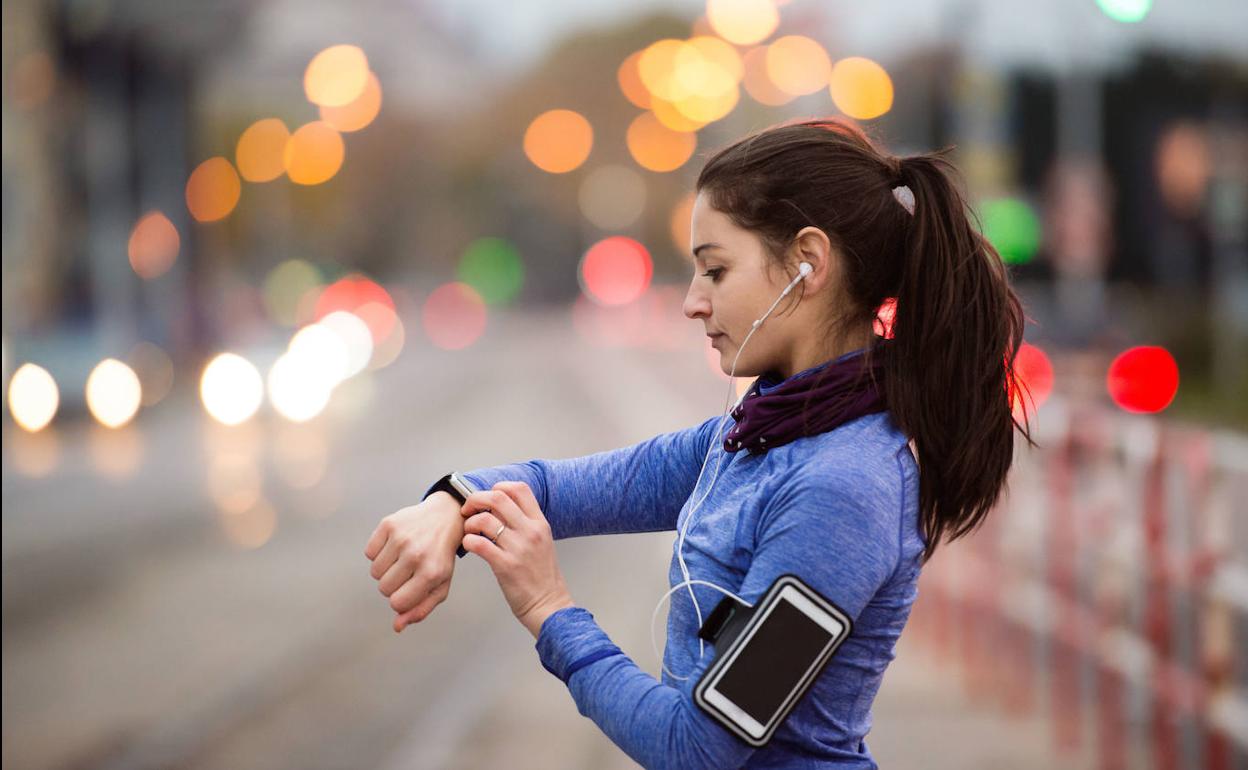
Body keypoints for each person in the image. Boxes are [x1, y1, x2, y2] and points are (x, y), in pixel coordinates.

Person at [364, 117, 1035, 769]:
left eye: (715, 271)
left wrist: (548, 609)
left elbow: (699, 750)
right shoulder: (745, 440)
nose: (692, 301)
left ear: (808, 263)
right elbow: (553, 488)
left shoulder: (845, 490)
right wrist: (449, 502)